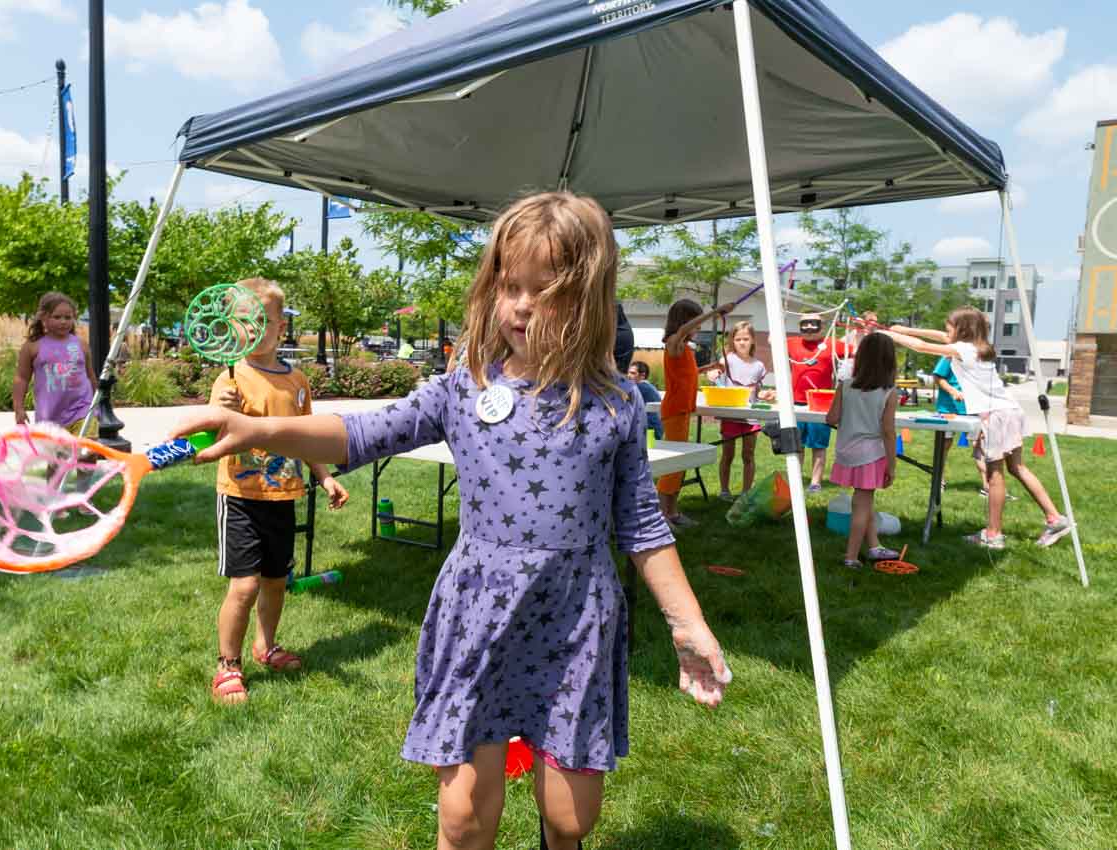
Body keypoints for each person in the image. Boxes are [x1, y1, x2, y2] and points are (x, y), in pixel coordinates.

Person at [172, 192, 732, 850]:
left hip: (574, 620)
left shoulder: (615, 406)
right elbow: (362, 432)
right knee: (463, 819)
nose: (521, 306)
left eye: (544, 290)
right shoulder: (463, 387)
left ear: (588, 297)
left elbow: (643, 527)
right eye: (510, 286)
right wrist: (257, 427)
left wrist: (688, 624)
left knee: (570, 818)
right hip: (478, 614)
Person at [208, 278, 349, 705]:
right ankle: (228, 664)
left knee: (274, 582)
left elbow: (305, 439)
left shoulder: (296, 382)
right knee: (245, 586)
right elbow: (211, 436)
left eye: (262, 321)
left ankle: (265, 647)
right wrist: (221, 413)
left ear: (280, 328)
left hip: (283, 497)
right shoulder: (230, 380)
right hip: (240, 498)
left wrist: (324, 476)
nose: (253, 330)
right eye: (243, 322)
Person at [880, 307, 1070, 550]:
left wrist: (891, 336)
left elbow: (922, 347)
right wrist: (904, 329)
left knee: (994, 476)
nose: (945, 330)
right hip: (1010, 410)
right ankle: (1055, 518)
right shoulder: (975, 346)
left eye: (950, 325)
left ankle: (993, 534)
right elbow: (937, 336)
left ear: (962, 330)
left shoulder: (963, 350)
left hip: (997, 416)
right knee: (1017, 467)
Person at [825, 333, 902, 569]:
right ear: (889, 361)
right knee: (861, 505)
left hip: (846, 452)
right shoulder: (889, 392)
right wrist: (892, 464)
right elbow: (889, 432)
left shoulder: (845, 385)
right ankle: (851, 557)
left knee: (864, 502)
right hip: (871, 455)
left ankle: (875, 546)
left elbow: (831, 418)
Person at [658, 298, 734, 529]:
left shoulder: (685, 349)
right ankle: (661, 516)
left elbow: (684, 374)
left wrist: (705, 369)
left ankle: (672, 512)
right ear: (686, 321)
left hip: (683, 412)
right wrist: (715, 312)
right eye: (696, 322)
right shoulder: (674, 341)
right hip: (674, 411)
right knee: (672, 465)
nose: (698, 328)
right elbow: (683, 331)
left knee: (679, 465)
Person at [13, 292, 99, 435]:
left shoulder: (81, 345)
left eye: (68, 317)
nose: (63, 321)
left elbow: (90, 376)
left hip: (83, 410)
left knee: (86, 452)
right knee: (57, 457)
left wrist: (98, 403)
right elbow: (21, 378)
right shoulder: (32, 347)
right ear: (44, 317)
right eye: (57, 317)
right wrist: (19, 409)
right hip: (49, 418)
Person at [706, 320, 766, 500]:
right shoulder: (727, 360)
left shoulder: (759, 366)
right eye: (738, 339)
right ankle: (724, 491)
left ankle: (746, 493)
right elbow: (714, 376)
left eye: (746, 339)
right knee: (728, 454)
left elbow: (758, 391)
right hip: (731, 415)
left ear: (753, 340)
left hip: (751, 417)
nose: (742, 342)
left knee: (748, 455)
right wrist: (712, 376)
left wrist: (765, 395)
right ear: (733, 340)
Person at [787, 312, 842, 493]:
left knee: (818, 445)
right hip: (796, 403)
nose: (809, 327)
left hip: (820, 405)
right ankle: (796, 478)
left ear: (822, 326)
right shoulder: (792, 343)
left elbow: (855, 349)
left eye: (814, 323)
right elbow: (772, 341)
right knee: (797, 444)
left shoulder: (831, 344)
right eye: (805, 323)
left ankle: (815, 482)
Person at [931, 354, 992, 497]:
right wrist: (953, 391)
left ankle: (988, 487)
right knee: (943, 446)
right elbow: (937, 377)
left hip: (972, 409)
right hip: (947, 410)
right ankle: (939, 482)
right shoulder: (949, 355)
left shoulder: (978, 357)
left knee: (979, 446)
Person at [627, 360, 663, 440]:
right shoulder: (648, 386)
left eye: (633, 373)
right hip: (655, 429)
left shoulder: (640, 387)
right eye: (628, 372)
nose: (629, 375)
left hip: (650, 430)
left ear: (642, 375)